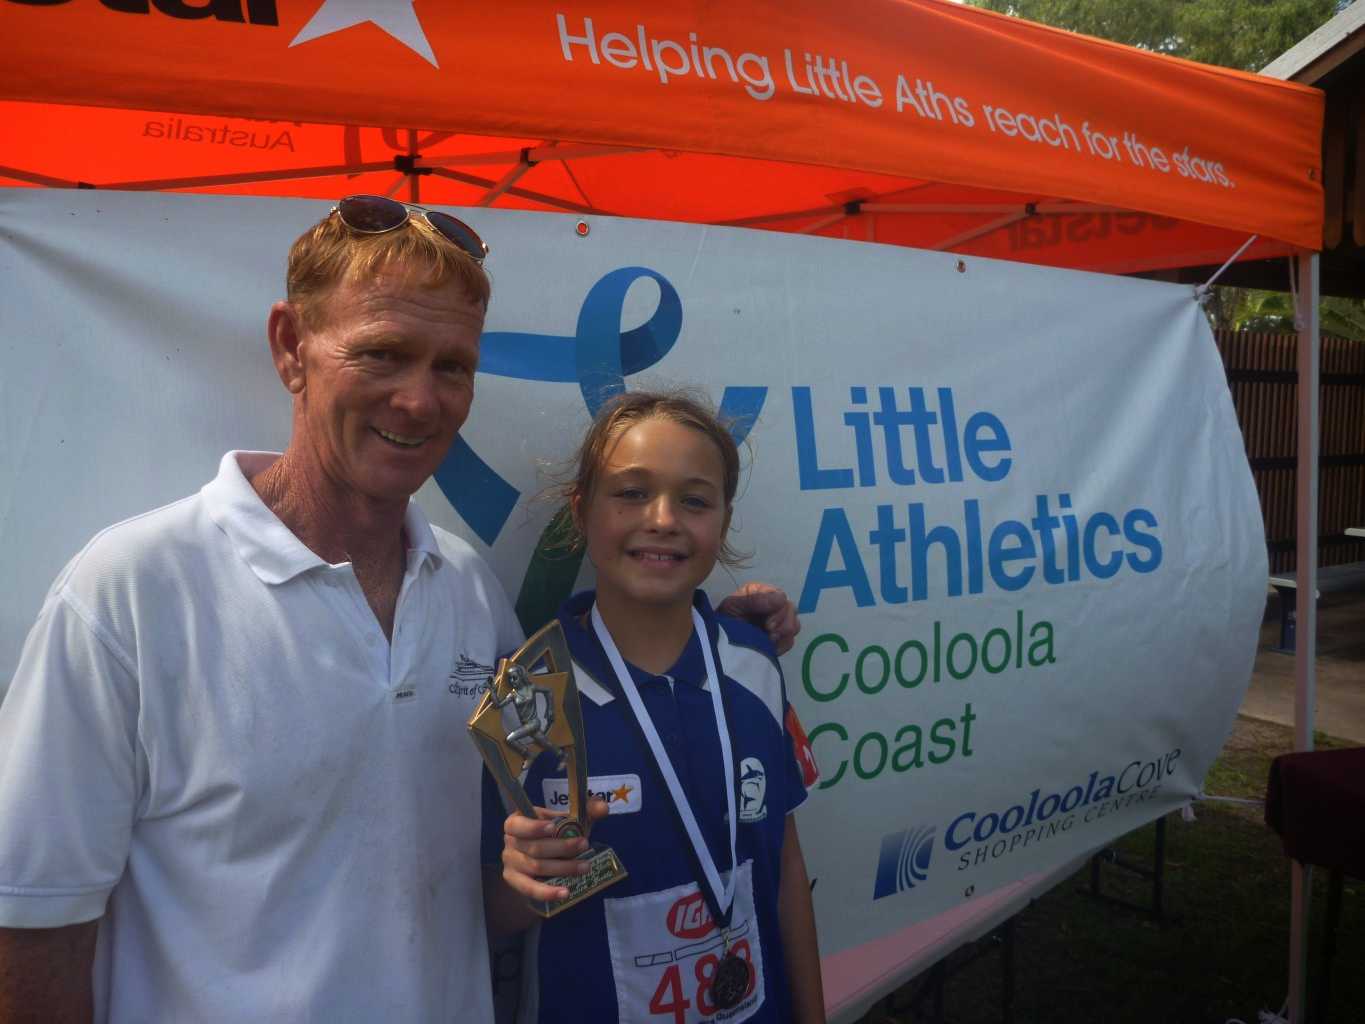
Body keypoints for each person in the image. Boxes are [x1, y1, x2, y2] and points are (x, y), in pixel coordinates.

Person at [0, 196, 799, 1022]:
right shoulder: (129, 592)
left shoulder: (465, 588)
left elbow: (497, 871)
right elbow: (34, 920)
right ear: (291, 347)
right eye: (382, 354)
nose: (420, 401)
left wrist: (722, 628)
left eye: (452, 367)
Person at [493, 391, 825, 1023]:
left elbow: (784, 863)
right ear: (581, 510)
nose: (664, 519)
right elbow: (488, 910)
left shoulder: (755, 664)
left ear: (723, 522)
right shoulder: (528, 697)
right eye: (631, 493)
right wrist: (526, 884)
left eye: (695, 501)